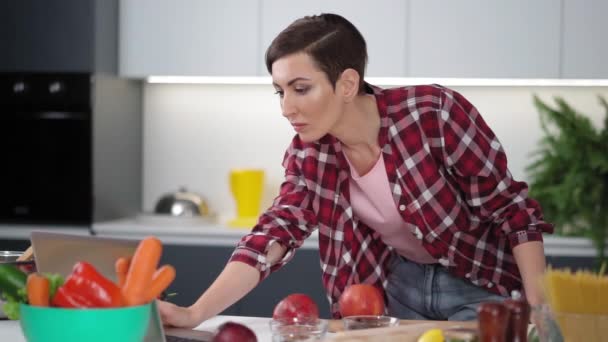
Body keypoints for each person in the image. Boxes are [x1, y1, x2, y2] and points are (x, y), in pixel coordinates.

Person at [159, 13, 553, 326]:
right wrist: (195, 314)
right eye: (280, 91)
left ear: (347, 84)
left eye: (301, 88)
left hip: (479, 285)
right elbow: (274, 233)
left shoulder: (433, 114)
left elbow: (512, 212)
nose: (286, 108)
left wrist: (541, 313)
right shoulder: (309, 154)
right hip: (398, 291)